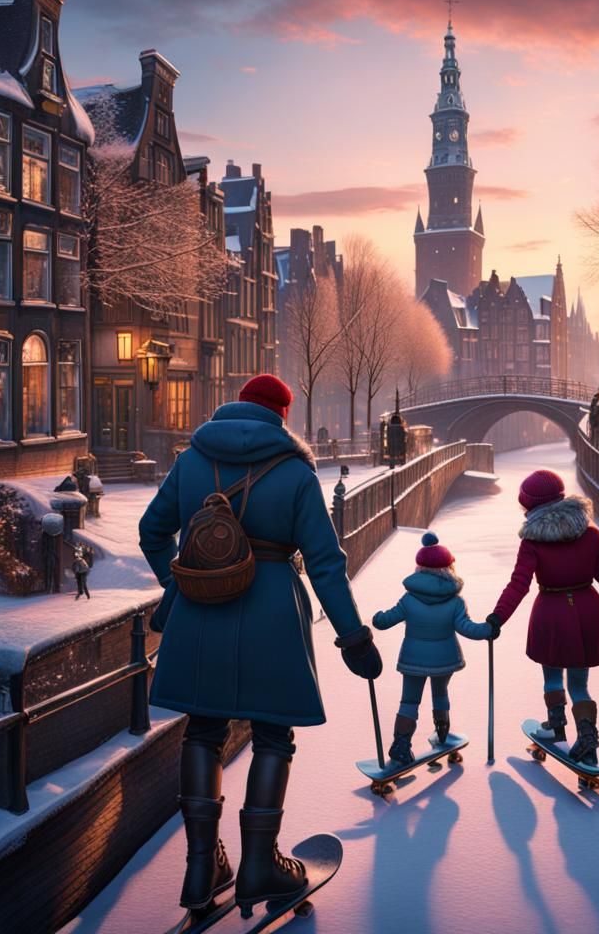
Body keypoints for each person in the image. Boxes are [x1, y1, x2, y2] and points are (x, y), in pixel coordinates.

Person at [139, 375, 382, 916]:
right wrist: (353, 637)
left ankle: (201, 867)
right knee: (273, 736)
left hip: (201, 613)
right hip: (271, 613)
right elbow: (324, 562)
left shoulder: (191, 461)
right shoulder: (295, 471)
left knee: (203, 730)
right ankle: (260, 866)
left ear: (237, 406)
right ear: (281, 416)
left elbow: (151, 531)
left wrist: (181, 582)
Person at [486, 470, 599, 765]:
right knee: (579, 683)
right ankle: (587, 738)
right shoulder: (591, 534)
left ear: (531, 504)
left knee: (552, 675)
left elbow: (519, 584)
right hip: (588, 610)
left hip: (551, 612)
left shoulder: (533, 542)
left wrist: (498, 617)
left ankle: (555, 725)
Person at [372, 532, 494, 763]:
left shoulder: (409, 599)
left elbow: (386, 620)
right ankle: (442, 734)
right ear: (448, 569)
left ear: (419, 568)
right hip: (444, 660)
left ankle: (401, 745)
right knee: (440, 693)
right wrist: (487, 629)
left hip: (413, 660)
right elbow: (466, 628)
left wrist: (377, 618)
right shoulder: (455, 602)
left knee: (409, 701)